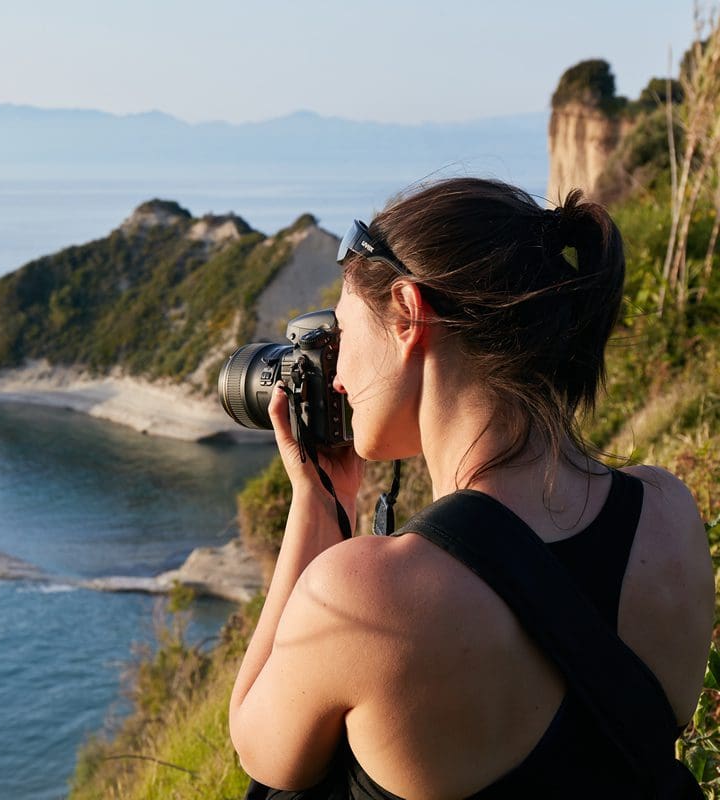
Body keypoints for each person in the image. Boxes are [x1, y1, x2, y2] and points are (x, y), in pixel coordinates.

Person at [228, 177, 715, 798]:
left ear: (407, 314)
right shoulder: (668, 511)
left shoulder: (366, 595)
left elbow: (260, 750)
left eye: (343, 337)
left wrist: (317, 502)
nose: (337, 374)